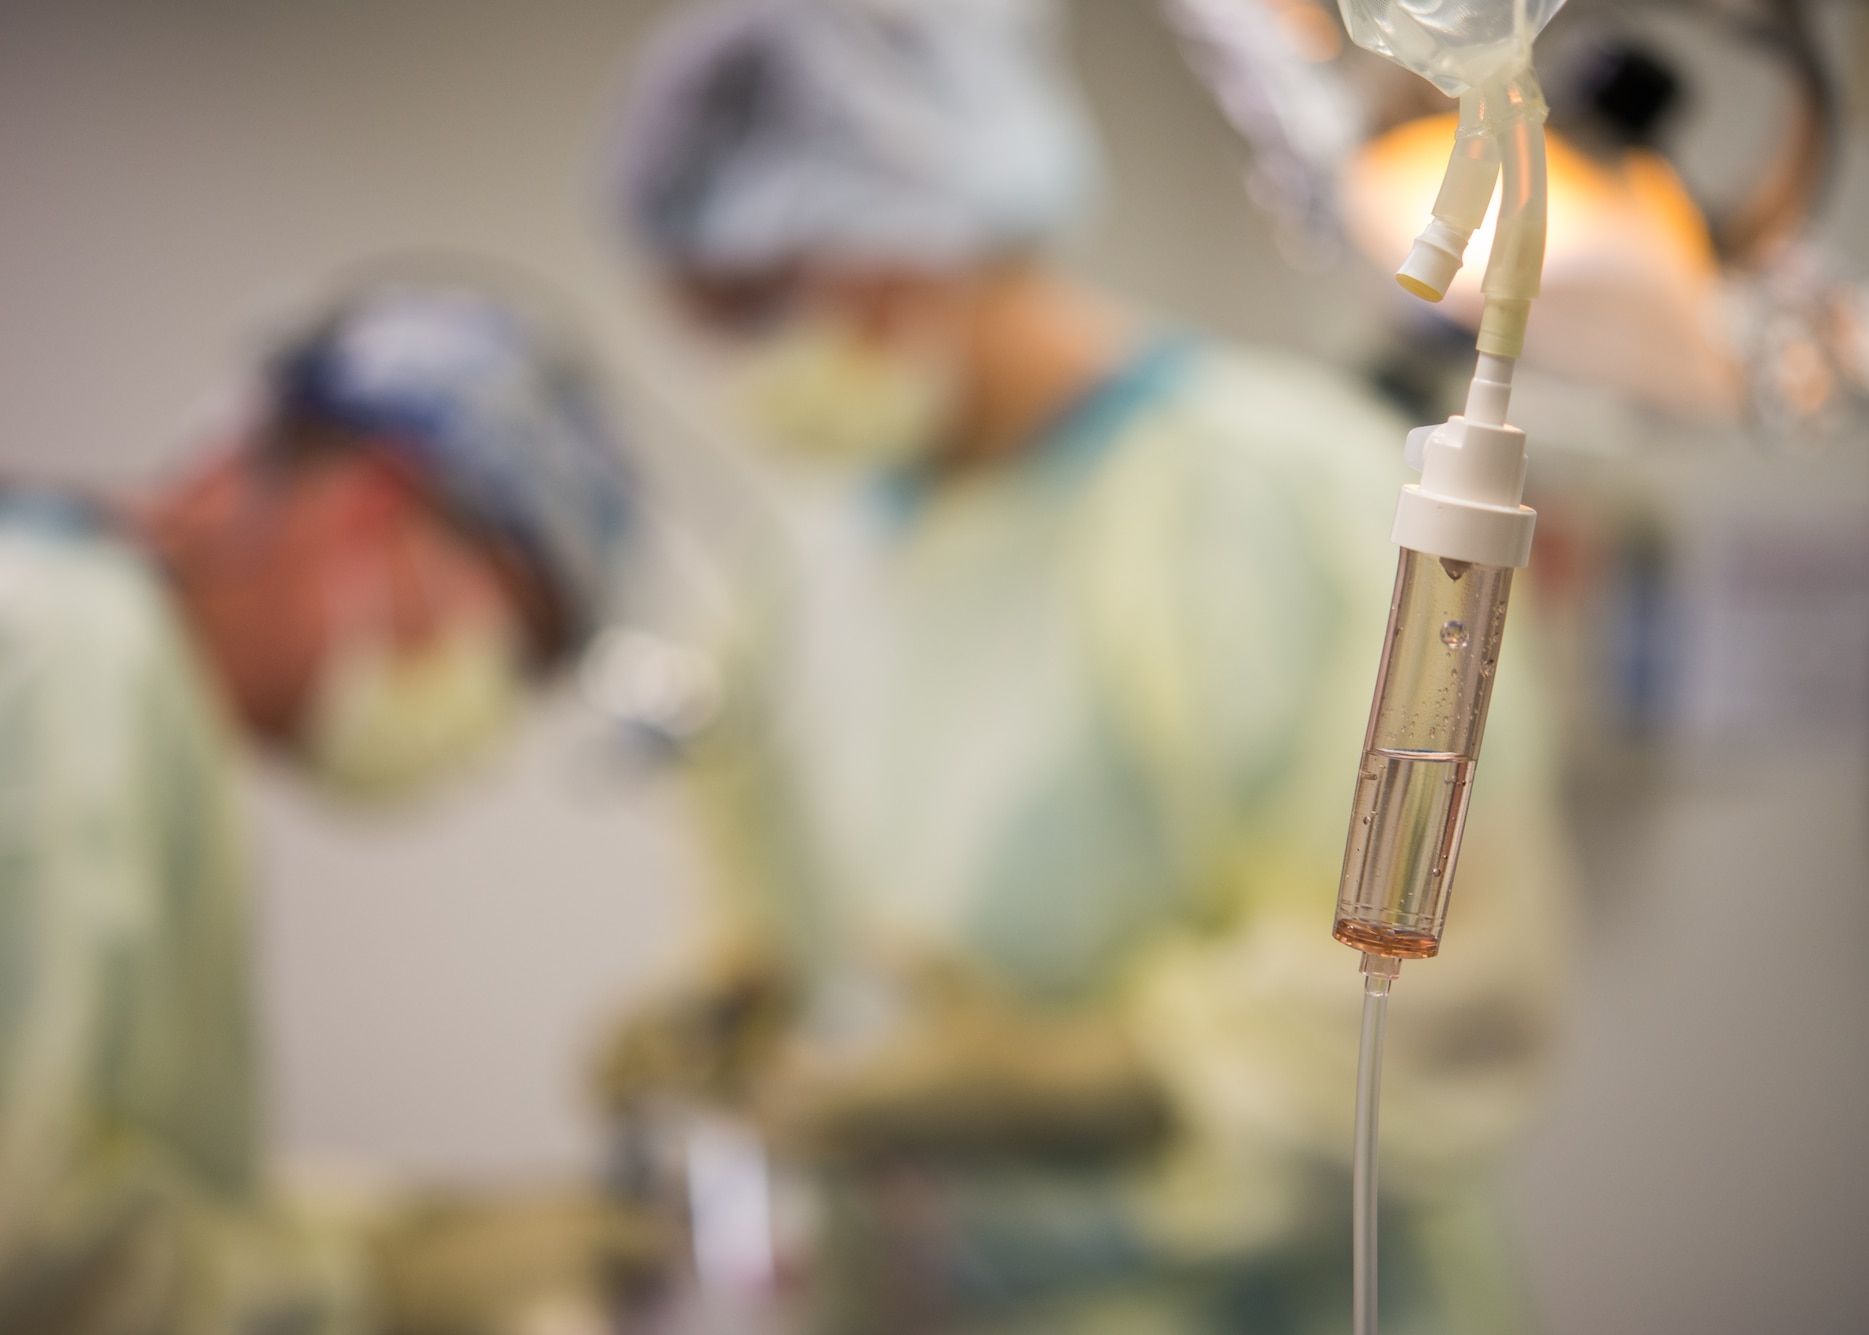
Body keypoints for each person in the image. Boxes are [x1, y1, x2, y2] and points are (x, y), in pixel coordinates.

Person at [600, 2, 1574, 1332]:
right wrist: (731, 992)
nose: (750, 365)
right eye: (710, 320)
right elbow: (762, 888)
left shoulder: (1281, 498)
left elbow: (1442, 996)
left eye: (768, 300)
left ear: (925, 220)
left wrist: (1100, 1076)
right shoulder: (799, 560)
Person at [0, 283, 636, 1335]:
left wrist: (388, 1228)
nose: (490, 711)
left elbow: (88, 1165)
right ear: (375, 513)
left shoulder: (104, 660)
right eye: (511, 645)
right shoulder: (60, 657)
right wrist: (375, 1287)